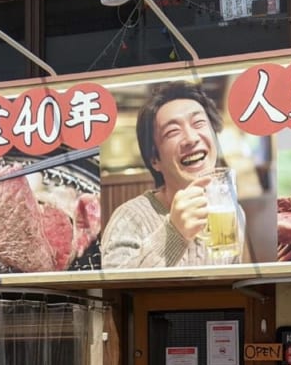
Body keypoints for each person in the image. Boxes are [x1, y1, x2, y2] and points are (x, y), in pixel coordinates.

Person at [100, 81, 246, 269]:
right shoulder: (130, 218)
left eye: (199, 123)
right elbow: (115, 289)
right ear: (155, 159)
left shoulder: (232, 212)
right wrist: (174, 233)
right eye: (172, 131)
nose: (191, 138)